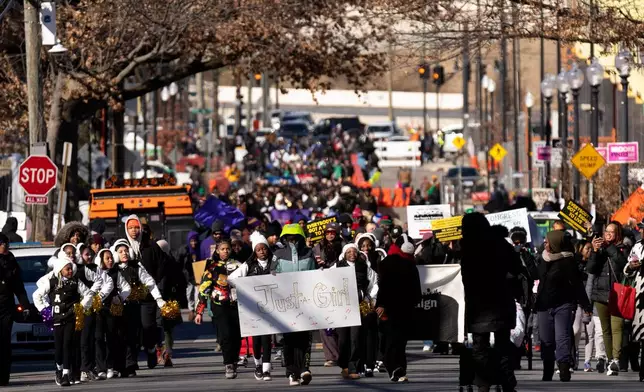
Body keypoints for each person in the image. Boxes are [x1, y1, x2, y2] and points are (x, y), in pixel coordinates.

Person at [460, 212, 521, 392]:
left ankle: (483, 384)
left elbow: (465, 278)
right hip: (501, 303)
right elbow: (516, 268)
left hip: (478, 306)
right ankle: (507, 382)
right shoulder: (501, 244)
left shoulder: (468, 248)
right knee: (503, 346)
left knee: (480, 348)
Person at [534, 230, 592, 382]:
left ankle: (564, 369)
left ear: (555, 242)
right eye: (544, 241)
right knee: (546, 340)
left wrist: (586, 305)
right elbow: (536, 276)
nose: (545, 243)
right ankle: (547, 372)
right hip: (544, 306)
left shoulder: (568, 261)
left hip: (563, 305)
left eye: (548, 241)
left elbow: (578, 285)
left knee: (562, 338)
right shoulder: (542, 259)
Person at [33, 252, 93, 387]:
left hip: (71, 317)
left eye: (71, 268)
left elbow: (88, 293)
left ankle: (66, 374)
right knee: (59, 347)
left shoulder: (76, 282)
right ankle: (59, 369)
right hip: (56, 318)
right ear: (60, 270)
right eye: (67, 269)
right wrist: (45, 310)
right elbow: (37, 295)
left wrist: (81, 307)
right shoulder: (52, 282)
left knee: (68, 344)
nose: (70, 271)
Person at [112, 239, 165, 377]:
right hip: (116, 308)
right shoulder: (113, 269)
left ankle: (130, 365)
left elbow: (150, 283)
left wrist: (159, 299)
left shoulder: (136, 267)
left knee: (132, 337)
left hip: (133, 307)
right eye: (121, 251)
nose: (124, 254)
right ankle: (118, 366)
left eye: (126, 251)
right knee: (118, 337)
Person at [271, 224, 316, 386]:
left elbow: (314, 275)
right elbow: (271, 277)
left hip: (305, 303)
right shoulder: (278, 254)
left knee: (304, 337)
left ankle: (304, 369)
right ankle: (291, 373)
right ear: (284, 238)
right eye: (289, 237)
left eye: (295, 237)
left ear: (301, 238)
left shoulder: (309, 253)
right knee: (289, 339)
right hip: (285, 304)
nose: (292, 239)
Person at [229, 232, 275, 381]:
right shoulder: (249, 265)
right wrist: (244, 289)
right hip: (253, 307)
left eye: (264, 249)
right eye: (259, 249)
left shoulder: (275, 262)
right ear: (255, 252)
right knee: (256, 339)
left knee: (267, 338)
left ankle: (267, 369)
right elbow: (231, 278)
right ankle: (258, 365)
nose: (262, 252)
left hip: (270, 307)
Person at [375, 235, 421, 383]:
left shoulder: (404, 263)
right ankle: (395, 367)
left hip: (401, 308)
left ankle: (399, 369)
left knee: (399, 341)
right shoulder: (390, 263)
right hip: (392, 308)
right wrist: (381, 305)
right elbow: (384, 286)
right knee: (393, 340)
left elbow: (415, 285)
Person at [195, 240, 242, 379]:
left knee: (236, 335)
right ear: (217, 251)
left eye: (228, 249)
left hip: (236, 305)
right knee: (225, 334)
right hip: (219, 305)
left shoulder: (239, 265)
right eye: (222, 249)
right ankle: (228, 364)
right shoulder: (212, 267)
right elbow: (204, 289)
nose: (225, 251)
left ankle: (234, 360)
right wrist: (199, 311)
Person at [587, 221, 629, 376]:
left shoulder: (623, 248)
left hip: (617, 294)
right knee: (605, 330)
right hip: (600, 294)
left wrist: (608, 247)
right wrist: (595, 251)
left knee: (617, 328)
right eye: (606, 232)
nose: (608, 234)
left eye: (612, 232)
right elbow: (591, 269)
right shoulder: (600, 250)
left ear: (617, 234)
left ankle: (616, 360)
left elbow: (622, 263)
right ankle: (610, 360)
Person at [331, 243, 378, 379]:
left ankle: (353, 368)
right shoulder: (337, 266)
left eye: (354, 252)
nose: (352, 254)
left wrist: (369, 297)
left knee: (356, 338)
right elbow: (326, 280)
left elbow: (374, 283)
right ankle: (344, 365)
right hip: (342, 307)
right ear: (344, 254)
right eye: (349, 252)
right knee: (343, 339)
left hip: (359, 306)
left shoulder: (364, 267)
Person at [94, 248, 131, 379]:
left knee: (111, 338)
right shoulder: (95, 273)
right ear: (101, 260)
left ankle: (111, 367)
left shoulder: (116, 273)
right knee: (98, 338)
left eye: (111, 258)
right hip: (97, 310)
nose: (110, 260)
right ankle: (100, 368)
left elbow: (127, 288)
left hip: (111, 310)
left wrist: (120, 297)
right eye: (107, 258)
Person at [0, 233, 30, 386]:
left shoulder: (11, 261)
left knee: (5, 342)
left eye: (6, 243)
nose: (4, 246)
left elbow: (18, 286)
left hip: (6, 308)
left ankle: (4, 376)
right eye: (1, 243)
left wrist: (25, 305)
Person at [157, 239, 185, 367]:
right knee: (168, 329)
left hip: (157, 298)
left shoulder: (154, 262)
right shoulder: (173, 262)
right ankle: (168, 351)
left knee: (156, 326)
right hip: (170, 299)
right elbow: (181, 281)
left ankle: (160, 350)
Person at [624, 225, 644, 382]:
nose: (642, 231)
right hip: (640, 296)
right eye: (642, 228)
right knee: (641, 335)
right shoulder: (637, 246)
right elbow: (627, 267)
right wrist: (631, 266)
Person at [178, 231, 200, 321]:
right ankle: (191, 308)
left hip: (198, 276)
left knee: (197, 294)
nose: (193, 243)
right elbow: (180, 262)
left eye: (195, 241)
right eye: (191, 241)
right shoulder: (184, 250)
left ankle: (195, 311)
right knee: (189, 294)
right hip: (188, 276)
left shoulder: (200, 250)